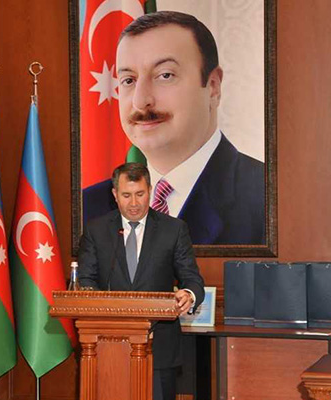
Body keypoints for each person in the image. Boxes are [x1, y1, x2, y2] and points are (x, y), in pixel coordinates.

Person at [83, 11, 265, 245]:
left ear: (212, 86)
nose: (140, 101)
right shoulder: (89, 208)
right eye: (128, 80)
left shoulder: (269, 199)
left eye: (165, 75)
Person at [78, 162, 205, 400]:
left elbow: (192, 279)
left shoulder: (173, 229)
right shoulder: (96, 230)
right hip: (107, 345)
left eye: (140, 194)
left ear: (150, 191)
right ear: (115, 194)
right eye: (126, 195)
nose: (134, 203)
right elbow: (86, 279)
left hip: (159, 347)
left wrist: (188, 294)